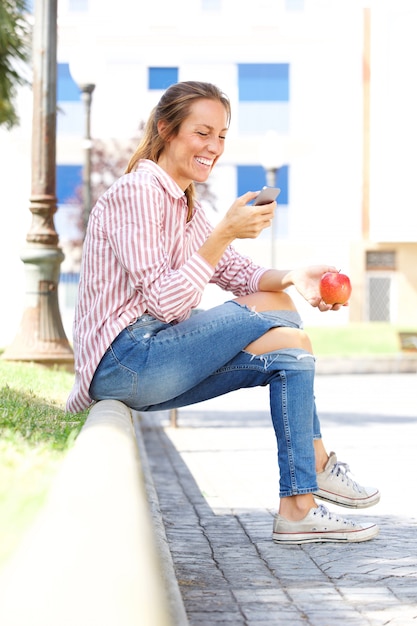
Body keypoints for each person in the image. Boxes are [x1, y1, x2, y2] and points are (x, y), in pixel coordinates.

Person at [67, 81, 380, 544]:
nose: (214, 147)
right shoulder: (139, 192)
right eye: (203, 133)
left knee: (291, 350)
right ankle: (317, 465)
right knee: (278, 310)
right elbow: (163, 302)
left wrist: (298, 275)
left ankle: (298, 506)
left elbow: (241, 274)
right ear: (166, 129)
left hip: (154, 361)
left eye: (222, 137)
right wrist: (224, 234)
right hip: (125, 359)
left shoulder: (184, 205)